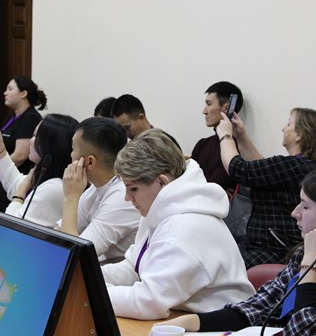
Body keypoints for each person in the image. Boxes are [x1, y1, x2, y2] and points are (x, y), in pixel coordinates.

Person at [153, 165, 316, 336]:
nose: (295, 213)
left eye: (306, 207)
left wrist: (310, 267)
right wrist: (192, 322)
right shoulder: (307, 254)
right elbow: (257, 308)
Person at [101, 129, 254, 320]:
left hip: (220, 328)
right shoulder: (159, 211)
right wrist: (89, 277)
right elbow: (134, 267)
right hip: (187, 319)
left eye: (133, 189)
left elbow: (149, 301)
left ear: (162, 182)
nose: (127, 197)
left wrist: (95, 292)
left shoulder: (185, 228)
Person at [217, 107, 316, 268]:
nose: (283, 128)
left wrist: (225, 136)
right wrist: (241, 136)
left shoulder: (292, 166)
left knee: (219, 266)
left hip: (272, 250)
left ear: (299, 134)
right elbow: (261, 170)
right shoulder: (304, 165)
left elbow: (238, 169)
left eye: (289, 124)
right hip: (271, 246)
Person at [61, 117, 140, 263]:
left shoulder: (124, 197)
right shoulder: (96, 188)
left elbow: (74, 256)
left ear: (90, 161)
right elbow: (58, 233)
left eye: (73, 149)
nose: (71, 155)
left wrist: (70, 198)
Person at [0, 113, 78, 228]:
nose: (31, 140)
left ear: (50, 145)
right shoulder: (46, 176)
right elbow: (15, 184)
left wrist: (21, 191)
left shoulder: (54, 187)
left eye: (35, 136)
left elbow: (13, 226)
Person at [191, 81, 244, 193]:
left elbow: (211, 188)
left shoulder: (234, 151)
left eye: (209, 104)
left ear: (226, 108)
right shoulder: (202, 144)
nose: (204, 111)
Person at [0, 76, 47, 174]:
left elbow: (20, 156)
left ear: (23, 94)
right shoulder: (12, 116)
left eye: (10, 89)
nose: (5, 93)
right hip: (6, 171)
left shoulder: (30, 118)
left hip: (19, 174)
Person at [112, 94, 181, 149]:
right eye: (122, 130)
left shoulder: (165, 143)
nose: (126, 134)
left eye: (127, 128)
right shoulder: (130, 149)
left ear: (141, 118)